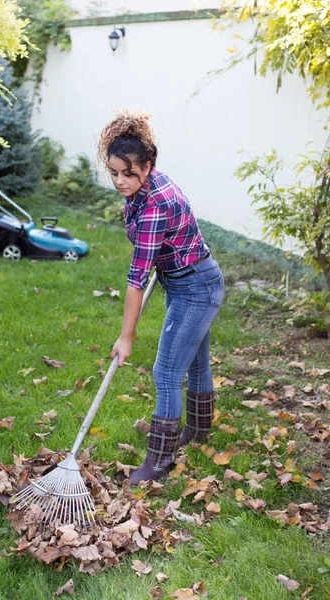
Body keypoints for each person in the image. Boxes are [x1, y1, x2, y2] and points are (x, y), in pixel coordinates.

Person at [97, 110, 225, 484]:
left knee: (167, 372)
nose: (120, 181)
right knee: (195, 363)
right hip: (189, 279)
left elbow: (138, 277)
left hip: (196, 288)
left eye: (128, 173)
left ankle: (159, 460)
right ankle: (198, 433)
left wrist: (126, 336)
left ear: (148, 167)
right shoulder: (146, 185)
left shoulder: (154, 206)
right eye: (114, 172)